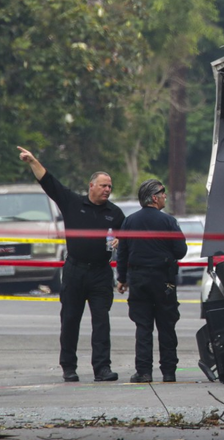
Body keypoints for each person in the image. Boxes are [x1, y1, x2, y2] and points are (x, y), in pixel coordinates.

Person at [18, 146, 125, 383]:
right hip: (75, 270)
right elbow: (49, 182)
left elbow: (126, 236)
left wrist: (121, 239)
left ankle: (102, 368)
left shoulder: (115, 213)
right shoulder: (73, 203)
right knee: (69, 321)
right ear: (91, 186)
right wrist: (33, 161)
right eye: (103, 185)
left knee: (101, 323)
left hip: (101, 273)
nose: (107, 189)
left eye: (110, 186)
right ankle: (68, 367)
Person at [116, 179, 187, 383]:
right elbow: (181, 251)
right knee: (167, 326)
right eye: (162, 192)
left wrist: (122, 278)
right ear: (154, 198)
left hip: (138, 280)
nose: (165, 196)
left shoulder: (129, 222)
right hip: (164, 280)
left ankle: (144, 371)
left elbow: (122, 252)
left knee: (143, 326)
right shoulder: (168, 222)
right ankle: (169, 372)